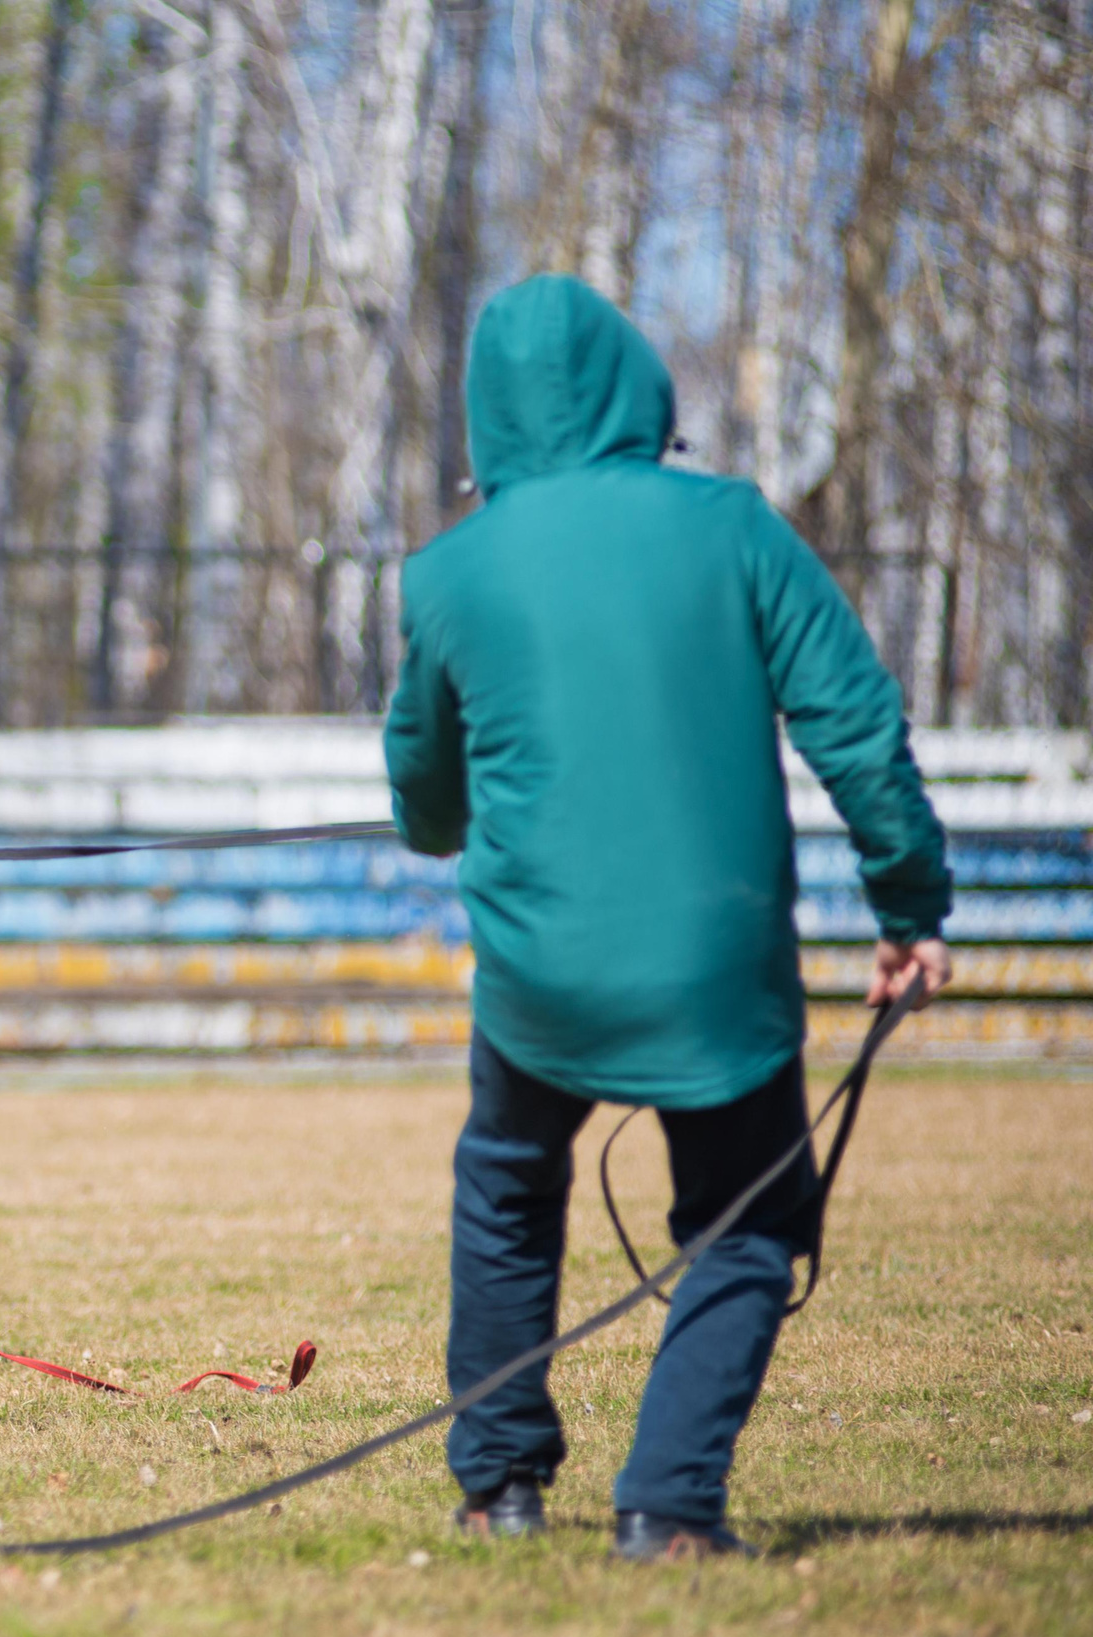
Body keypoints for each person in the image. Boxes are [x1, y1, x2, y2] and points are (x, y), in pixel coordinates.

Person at [385, 275, 953, 1561]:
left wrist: (454, 810)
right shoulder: (733, 526)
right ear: (636, 386)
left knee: (508, 1189)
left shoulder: (448, 570)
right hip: (718, 966)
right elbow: (856, 728)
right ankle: (670, 1502)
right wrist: (909, 900)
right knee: (748, 1219)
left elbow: (423, 797)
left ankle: (496, 1484)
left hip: (537, 972)